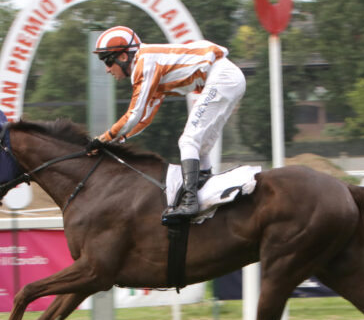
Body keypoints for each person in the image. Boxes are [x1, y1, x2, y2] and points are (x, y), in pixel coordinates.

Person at [88, 26, 246, 221]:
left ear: (122, 57)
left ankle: (190, 201)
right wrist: (115, 139)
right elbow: (144, 119)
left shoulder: (144, 63)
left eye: (107, 61)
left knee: (189, 141)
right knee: (200, 145)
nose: (107, 69)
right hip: (226, 77)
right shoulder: (150, 66)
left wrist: (105, 138)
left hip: (221, 77)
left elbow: (134, 114)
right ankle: (201, 187)